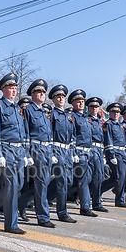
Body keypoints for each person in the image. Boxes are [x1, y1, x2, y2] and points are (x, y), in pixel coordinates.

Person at [0, 73, 30, 234]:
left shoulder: (17, 109)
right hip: (7, 150)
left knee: (18, 185)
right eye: (10, 88)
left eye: (15, 88)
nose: (13, 91)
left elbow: (22, 133)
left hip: (19, 151)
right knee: (12, 187)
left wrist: (26, 154)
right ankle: (11, 224)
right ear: (3, 89)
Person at [23, 79, 56, 227]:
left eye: (43, 92)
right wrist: (27, 154)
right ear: (32, 94)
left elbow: (48, 133)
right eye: (39, 92)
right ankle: (43, 217)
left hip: (47, 150)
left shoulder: (44, 112)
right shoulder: (28, 110)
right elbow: (24, 133)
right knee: (41, 183)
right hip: (36, 150)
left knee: (45, 182)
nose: (42, 94)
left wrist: (52, 151)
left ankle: (20, 203)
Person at [48, 84, 77, 223]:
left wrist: (73, 152)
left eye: (63, 96)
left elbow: (72, 136)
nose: (61, 98)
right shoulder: (51, 115)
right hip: (57, 150)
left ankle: (44, 197)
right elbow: (49, 134)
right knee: (62, 182)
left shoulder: (69, 116)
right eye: (58, 96)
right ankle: (62, 212)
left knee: (69, 181)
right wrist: (52, 153)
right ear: (53, 99)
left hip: (67, 151)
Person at [69, 89, 98, 217]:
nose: (80, 103)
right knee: (83, 180)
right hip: (79, 153)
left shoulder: (86, 119)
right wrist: (74, 152)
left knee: (86, 179)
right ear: (72, 103)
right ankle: (85, 207)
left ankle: (69, 195)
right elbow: (71, 135)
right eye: (77, 101)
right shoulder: (72, 117)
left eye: (82, 101)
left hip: (88, 153)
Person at [103, 102, 126, 208]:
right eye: (114, 112)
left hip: (121, 153)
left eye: (118, 112)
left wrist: (125, 155)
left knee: (118, 178)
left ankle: (95, 190)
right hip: (114, 153)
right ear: (110, 113)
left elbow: (123, 142)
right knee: (119, 177)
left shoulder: (120, 126)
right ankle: (119, 200)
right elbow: (108, 140)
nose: (116, 114)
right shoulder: (108, 125)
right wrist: (111, 155)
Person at [86, 97, 109, 212]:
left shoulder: (100, 122)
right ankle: (83, 200)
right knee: (89, 177)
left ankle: (96, 202)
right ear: (88, 108)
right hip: (91, 149)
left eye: (96, 107)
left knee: (99, 177)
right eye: (92, 106)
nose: (94, 108)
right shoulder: (87, 120)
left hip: (99, 150)